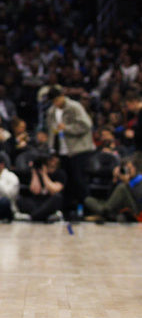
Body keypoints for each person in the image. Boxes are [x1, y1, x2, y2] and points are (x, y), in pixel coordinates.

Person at [44, 86, 95, 218]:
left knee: (79, 181)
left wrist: (67, 128)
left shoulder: (74, 107)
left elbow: (86, 125)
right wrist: (52, 148)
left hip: (78, 150)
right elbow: (51, 131)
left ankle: (88, 211)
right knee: (67, 182)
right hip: (62, 150)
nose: (55, 103)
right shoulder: (51, 112)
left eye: (56, 99)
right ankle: (67, 211)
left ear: (61, 97)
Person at [84, 155, 142, 222]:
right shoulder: (121, 178)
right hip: (116, 208)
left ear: (135, 168)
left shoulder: (139, 179)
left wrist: (127, 183)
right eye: (125, 169)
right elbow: (110, 198)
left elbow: (138, 198)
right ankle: (106, 213)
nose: (128, 171)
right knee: (88, 200)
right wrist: (114, 181)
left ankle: (104, 213)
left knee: (122, 187)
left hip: (135, 209)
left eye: (130, 168)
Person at [15, 153, 65, 222]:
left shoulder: (60, 173)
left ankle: (33, 216)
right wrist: (34, 172)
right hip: (37, 202)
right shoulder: (37, 171)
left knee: (57, 197)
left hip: (48, 201)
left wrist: (44, 174)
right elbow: (35, 191)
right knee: (20, 200)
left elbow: (54, 190)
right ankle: (42, 215)